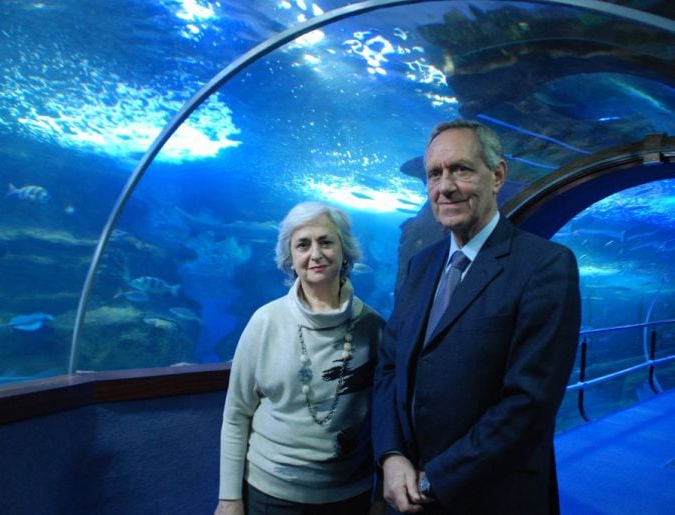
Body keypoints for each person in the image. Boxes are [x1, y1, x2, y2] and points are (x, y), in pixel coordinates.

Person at [372, 119, 581, 514]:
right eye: (434, 174)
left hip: (494, 496)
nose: (444, 187)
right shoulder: (420, 266)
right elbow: (388, 368)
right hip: (407, 489)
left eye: (461, 169)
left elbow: (529, 403)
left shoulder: (545, 265)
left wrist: (436, 478)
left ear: (497, 175)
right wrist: (391, 453)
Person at [215, 201, 386, 515]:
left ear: (345, 251)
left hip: (350, 495)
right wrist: (229, 498)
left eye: (326, 242)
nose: (315, 254)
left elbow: (385, 419)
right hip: (271, 494)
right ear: (290, 258)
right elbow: (236, 413)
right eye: (303, 245)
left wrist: (380, 497)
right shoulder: (264, 322)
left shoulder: (373, 328)